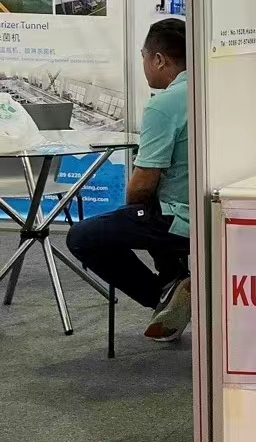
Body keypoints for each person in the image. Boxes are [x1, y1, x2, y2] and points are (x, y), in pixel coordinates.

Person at [67, 18, 191, 342]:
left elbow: (142, 183)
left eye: (144, 57)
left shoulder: (164, 105)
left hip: (178, 220)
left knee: (83, 236)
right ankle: (174, 281)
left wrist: (132, 212)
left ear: (158, 59)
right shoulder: (213, 91)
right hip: (215, 212)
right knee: (145, 213)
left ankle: (161, 297)